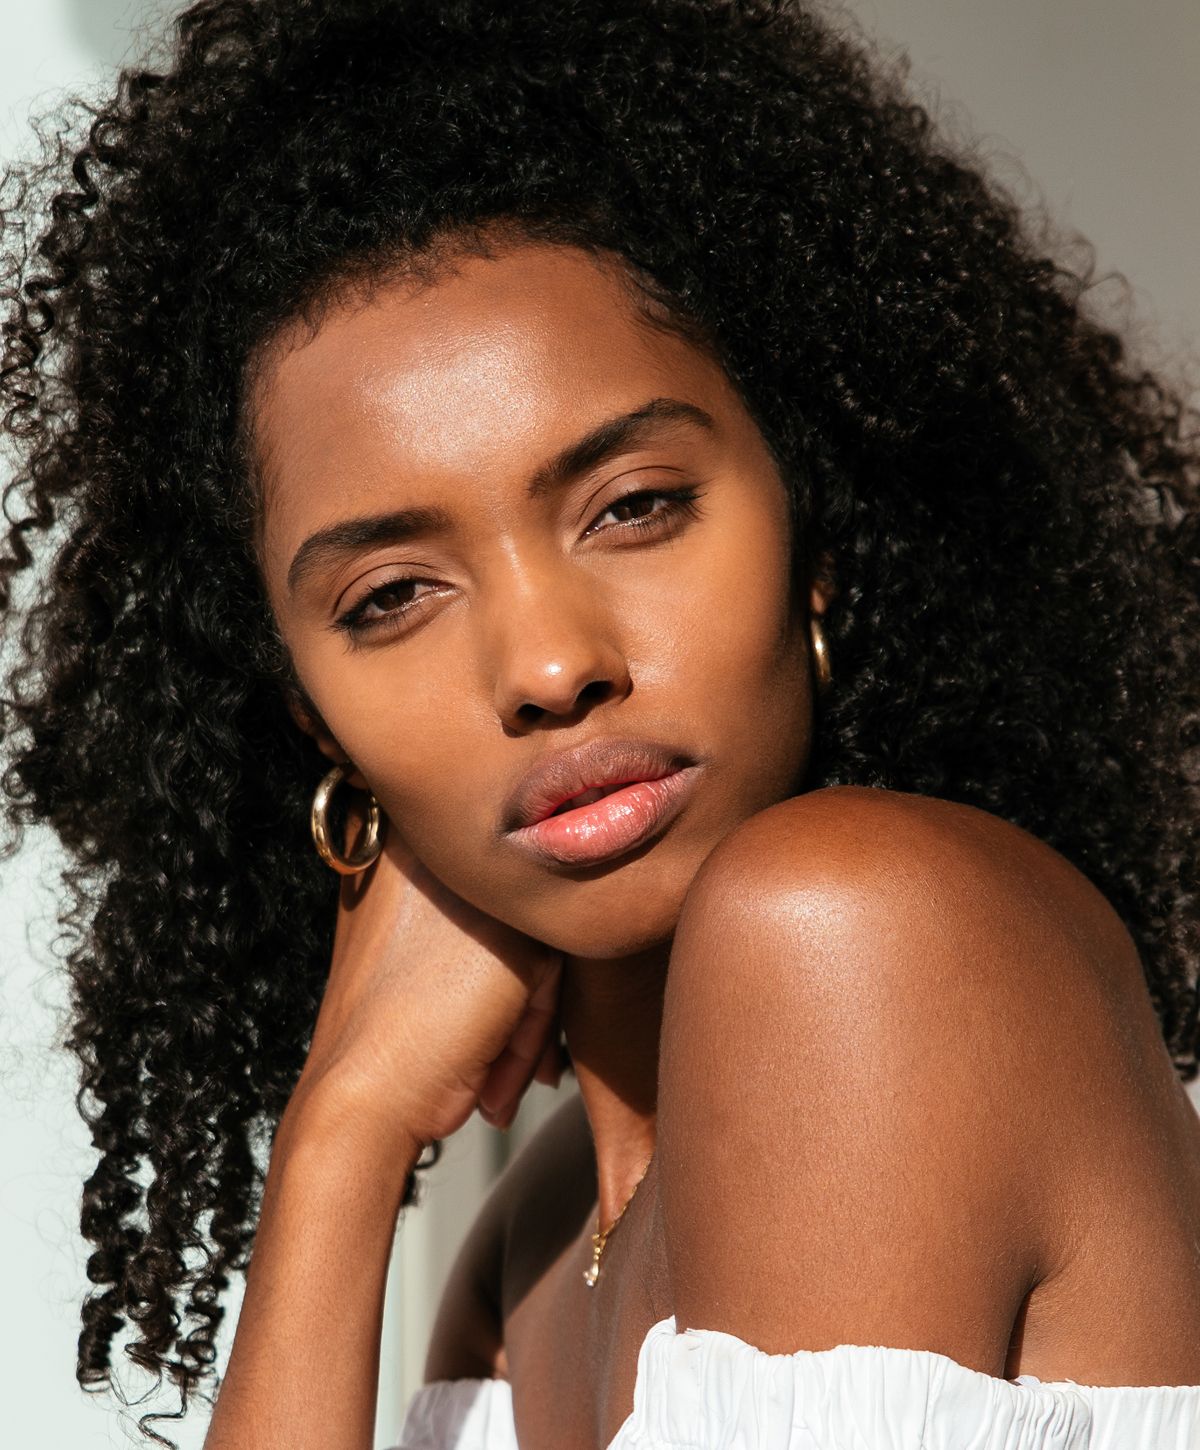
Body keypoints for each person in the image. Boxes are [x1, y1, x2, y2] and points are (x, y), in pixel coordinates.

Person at [1, 0, 1198, 1446]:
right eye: (393, 595)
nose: (550, 666)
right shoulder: (536, 1232)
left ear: (812, 522)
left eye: (633, 507)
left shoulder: (859, 928)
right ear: (311, 717)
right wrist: (343, 1132)